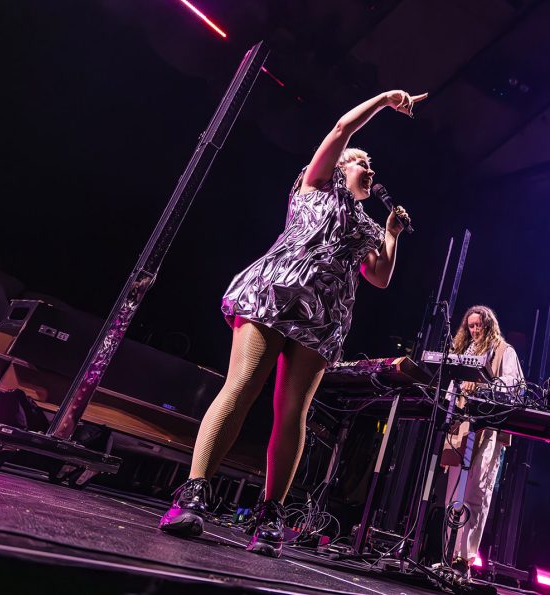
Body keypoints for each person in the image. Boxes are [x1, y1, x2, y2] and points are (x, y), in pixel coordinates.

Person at [158, 90, 427, 557]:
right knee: (242, 385)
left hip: (325, 316)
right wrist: (385, 100)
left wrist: (391, 234)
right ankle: (194, 491)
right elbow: (343, 129)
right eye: (364, 163)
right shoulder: (316, 183)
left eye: (371, 166)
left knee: (293, 411)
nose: (371, 170)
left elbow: (379, 277)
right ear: (342, 167)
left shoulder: (365, 225)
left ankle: (270, 513)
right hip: (275, 293)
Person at [440, 305, 524, 577]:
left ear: (489, 326)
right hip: (461, 426)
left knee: (477, 492)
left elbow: (514, 384)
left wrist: (484, 386)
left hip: (488, 428)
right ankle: (448, 554)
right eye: (471, 326)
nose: (475, 330)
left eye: (479, 326)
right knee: (454, 493)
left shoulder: (504, 350)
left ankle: (465, 559)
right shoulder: (465, 352)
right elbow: (451, 386)